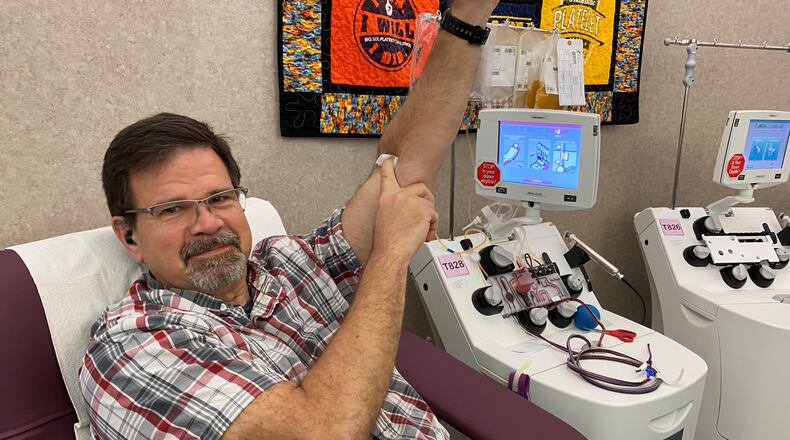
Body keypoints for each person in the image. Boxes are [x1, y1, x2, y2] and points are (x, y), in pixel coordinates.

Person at [79, 1, 499, 438]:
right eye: (171, 209)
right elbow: (321, 433)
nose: (206, 223)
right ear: (129, 235)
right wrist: (391, 253)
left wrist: (465, 19)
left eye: (219, 198)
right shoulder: (134, 343)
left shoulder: (287, 265)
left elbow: (400, 165)